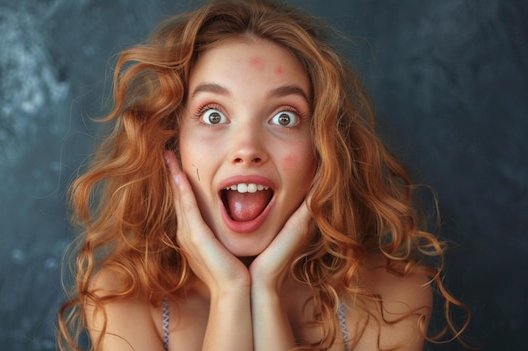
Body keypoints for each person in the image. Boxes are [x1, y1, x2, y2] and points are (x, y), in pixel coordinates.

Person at [58, 0, 470, 350]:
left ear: (324, 148)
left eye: (284, 116)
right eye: (214, 115)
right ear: (172, 142)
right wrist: (230, 292)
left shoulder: (394, 294)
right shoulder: (122, 297)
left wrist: (266, 293)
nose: (247, 150)